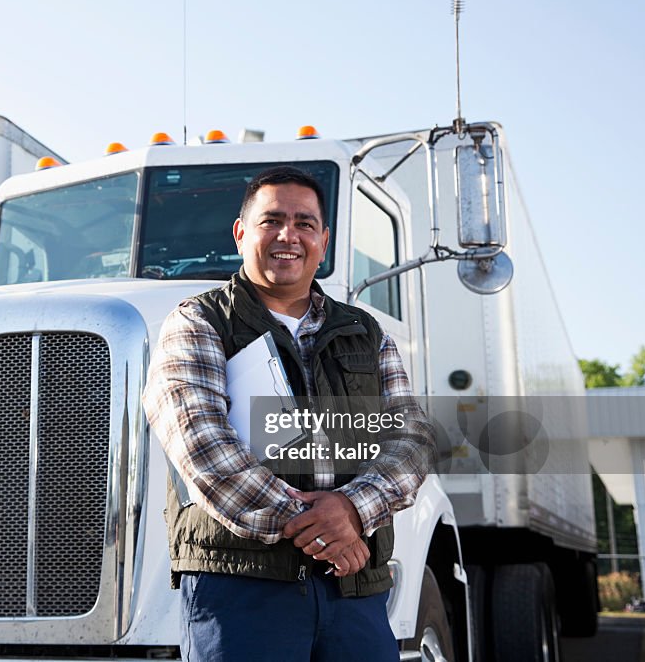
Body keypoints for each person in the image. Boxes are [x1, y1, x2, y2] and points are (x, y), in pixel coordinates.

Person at [142, 165, 436, 661]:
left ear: (323, 240)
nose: (288, 236)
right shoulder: (198, 321)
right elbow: (202, 447)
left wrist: (350, 510)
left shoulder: (368, 333)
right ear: (240, 233)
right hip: (242, 589)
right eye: (271, 220)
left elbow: (413, 441)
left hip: (354, 590)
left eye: (303, 223)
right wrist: (325, 530)